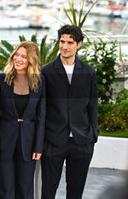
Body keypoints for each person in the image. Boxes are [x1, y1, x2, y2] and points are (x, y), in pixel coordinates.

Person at [41, 25, 99, 199]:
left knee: (75, 193)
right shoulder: (46, 72)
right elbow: (41, 108)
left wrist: (93, 135)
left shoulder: (88, 72)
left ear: (79, 44)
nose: (64, 46)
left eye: (70, 42)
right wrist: (43, 140)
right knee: (48, 191)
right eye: (62, 42)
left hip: (82, 142)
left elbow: (93, 106)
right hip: (53, 142)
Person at [0, 41, 46, 199]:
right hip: (3, 143)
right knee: (3, 189)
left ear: (31, 60)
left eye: (24, 56)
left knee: (25, 190)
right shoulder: (0, 79)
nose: (18, 59)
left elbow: (41, 116)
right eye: (17, 55)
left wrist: (38, 147)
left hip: (28, 144)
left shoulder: (39, 82)